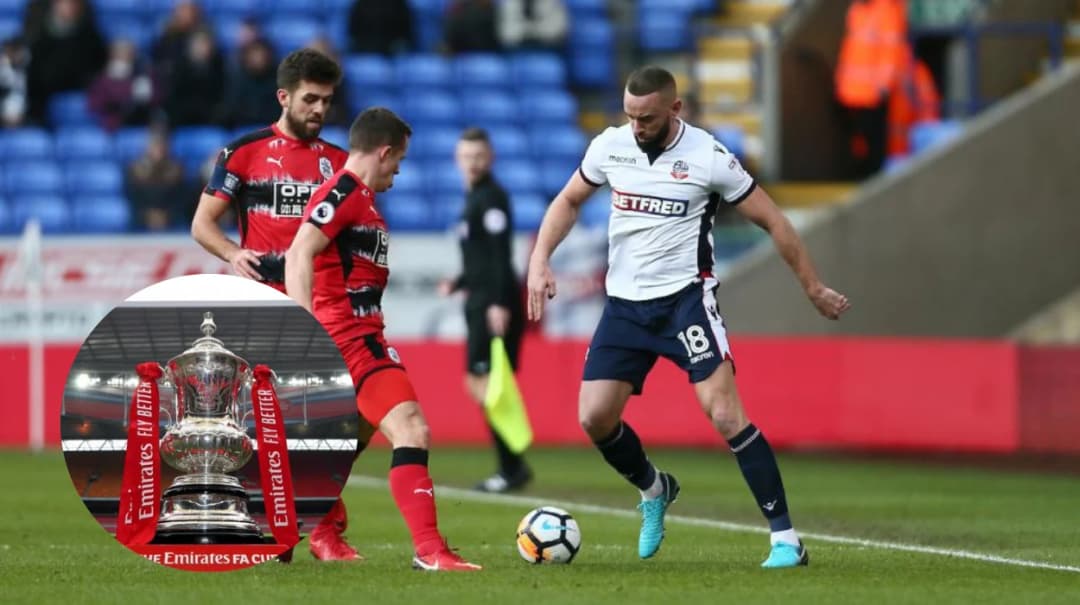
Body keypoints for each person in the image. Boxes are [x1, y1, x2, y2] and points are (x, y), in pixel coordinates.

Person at [525, 66, 851, 568]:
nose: (637, 126)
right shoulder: (609, 147)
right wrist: (540, 259)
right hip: (625, 307)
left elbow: (773, 220)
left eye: (648, 118)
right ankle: (655, 490)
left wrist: (812, 286)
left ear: (675, 109)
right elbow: (568, 200)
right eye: (630, 116)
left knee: (724, 413)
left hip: (685, 302)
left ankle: (786, 539)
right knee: (593, 418)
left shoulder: (710, 158)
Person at [285, 107, 483, 572]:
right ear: (385, 151)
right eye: (399, 160)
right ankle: (431, 551)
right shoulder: (343, 190)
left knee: (344, 441)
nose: (399, 169)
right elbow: (299, 251)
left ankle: (290, 525)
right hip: (346, 340)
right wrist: (303, 330)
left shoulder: (364, 199)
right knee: (411, 428)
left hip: (362, 335)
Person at [190, 49, 359, 562]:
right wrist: (233, 252)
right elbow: (203, 224)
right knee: (268, 423)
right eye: (310, 99)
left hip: (324, 303)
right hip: (265, 303)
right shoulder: (242, 153)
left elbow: (355, 238)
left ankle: (320, 529)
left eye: (327, 101)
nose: (320, 110)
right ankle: (279, 527)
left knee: (321, 421)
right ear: (284, 97)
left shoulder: (339, 162)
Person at [437, 127, 531, 493]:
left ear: (490, 158)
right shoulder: (475, 198)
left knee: (488, 385)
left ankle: (511, 467)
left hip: (492, 305)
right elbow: (480, 259)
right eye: (467, 156)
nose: (473, 163)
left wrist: (497, 302)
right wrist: (459, 281)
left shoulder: (491, 199)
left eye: (479, 156)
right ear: (457, 160)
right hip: (478, 300)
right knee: (481, 385)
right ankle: (511, 464)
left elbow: (499, 257)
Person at [834, 0, 908, 177]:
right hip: (851, 92)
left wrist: (883, 85)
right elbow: (851, 47)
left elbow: (891, 50)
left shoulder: (888, 10)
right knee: (857, 143)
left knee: (874, 144)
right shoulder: (857, 9)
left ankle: (871, 178)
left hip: (873, 93)